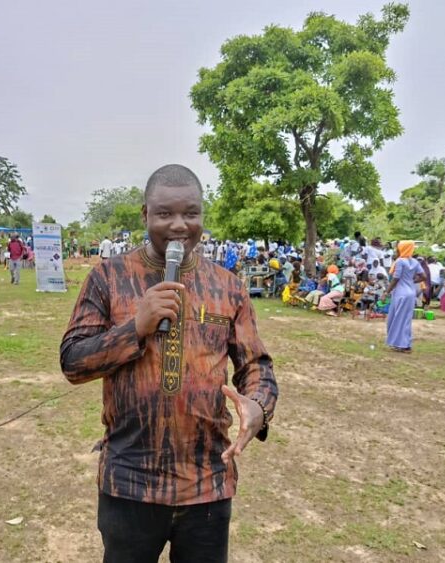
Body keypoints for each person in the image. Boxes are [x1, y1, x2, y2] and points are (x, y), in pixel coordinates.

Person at [60, 164, 278, 563]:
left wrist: (257, 406)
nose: (179, 226)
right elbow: (73, 362)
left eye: (190, 213)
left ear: (201, 215)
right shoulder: (109, 277)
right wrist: (135, 327)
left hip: (207, 482)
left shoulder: (228, 286)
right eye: (164, 214)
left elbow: (256, 366)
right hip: (129, 481)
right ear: (145, 215)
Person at [383, 241, 426, 353]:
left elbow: (396, 278)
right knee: (405, 320)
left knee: (396, 318)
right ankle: (402, 343)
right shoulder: (415, 262)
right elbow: (423, 276)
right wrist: (412, 281)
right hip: (410, 293)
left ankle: (404, 345)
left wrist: (386, 292)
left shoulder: (400, 261)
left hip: (400, 293)